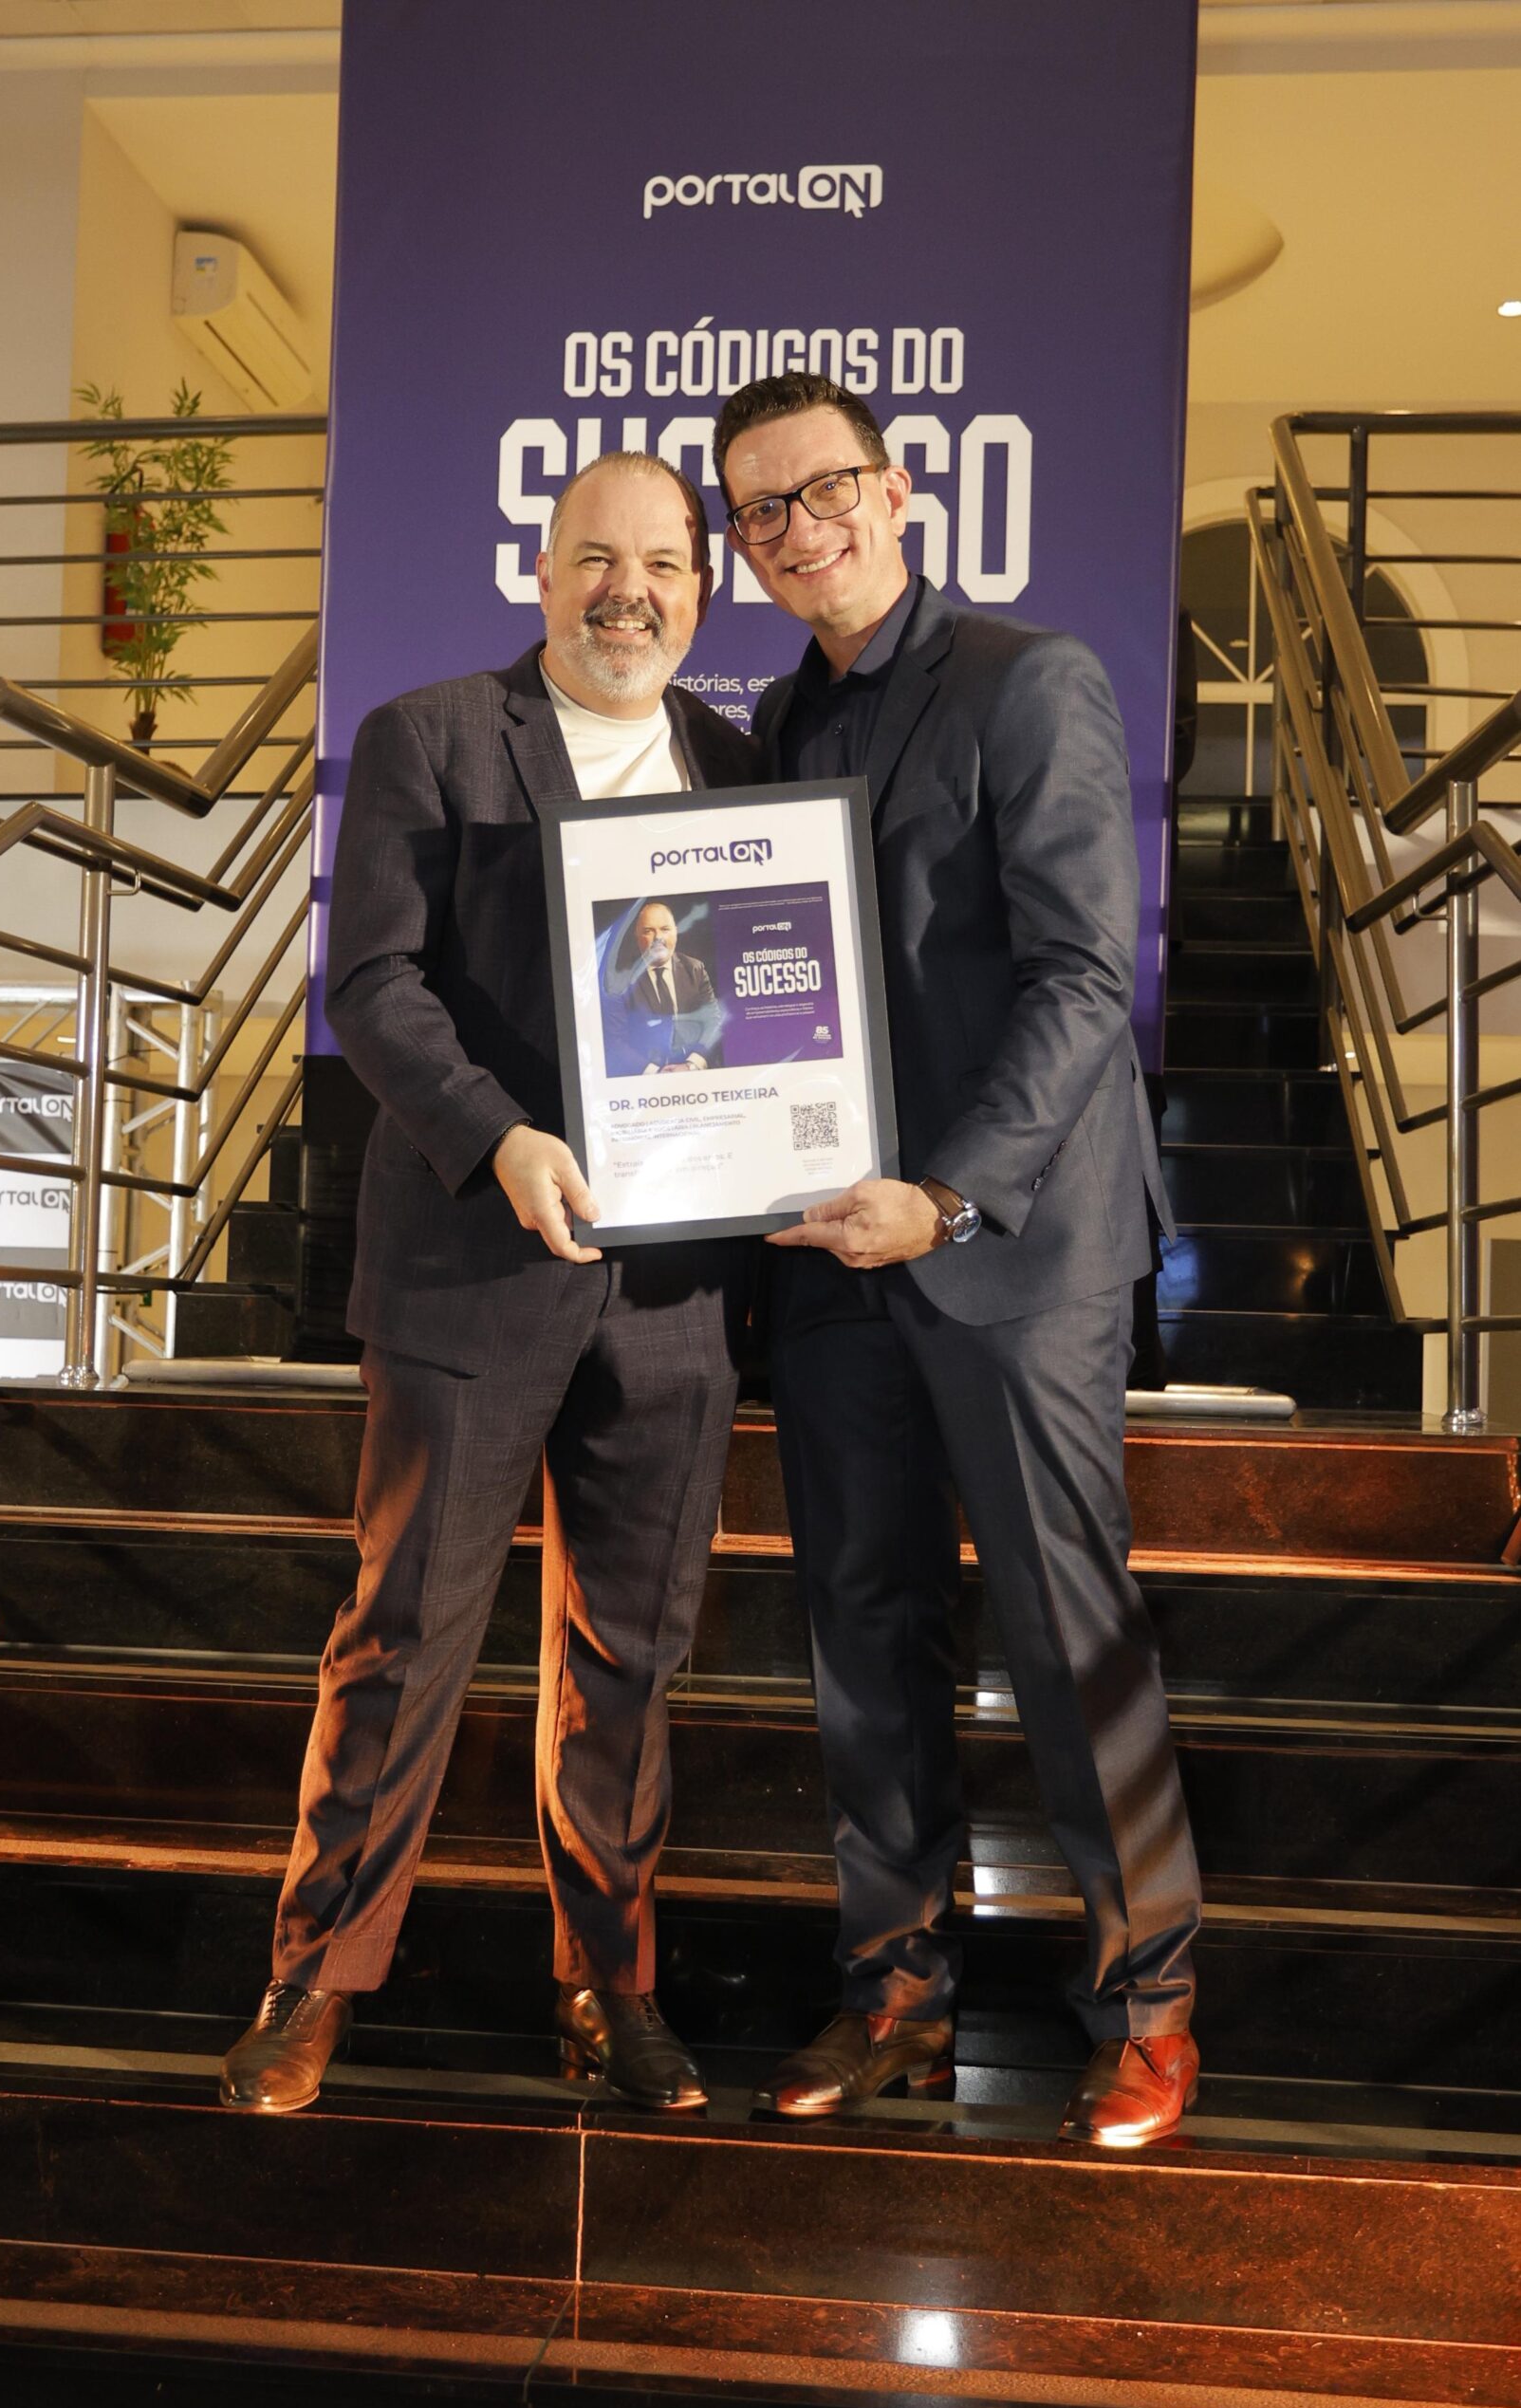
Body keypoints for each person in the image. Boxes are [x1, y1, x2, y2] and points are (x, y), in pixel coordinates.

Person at [219, 452, 755, 2118]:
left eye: (660, 564)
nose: (627, 593)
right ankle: (315, 1977)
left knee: (632, 1658)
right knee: (403, 1638)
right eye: (595, 558)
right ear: (541, 571)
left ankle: (608, 1987)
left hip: (672, 1290)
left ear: (700, 589)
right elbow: (373, 984)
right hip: (469, 1263)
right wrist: (500, 1137)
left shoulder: (742, 768)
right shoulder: (432, 735)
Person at [714, 374, 1202, 2146]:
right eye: (760, 511)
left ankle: (1145, 2006)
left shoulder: (1026, 679)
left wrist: (949, 1193)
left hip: (1012, 1244)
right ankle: (896, 1989)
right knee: (863, 1626)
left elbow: (1083, 978)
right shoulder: (771, 725)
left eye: (824, 487)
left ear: (896, 490)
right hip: (829, 1253)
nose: (800, 529)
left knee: (1072, 1632)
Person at [604, 897, 724, 1075]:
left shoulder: (695, 968)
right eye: (648, 931)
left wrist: (691, 1064)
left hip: (696, 1072)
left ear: (675, 931)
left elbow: (714, 1020)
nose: (658, 937)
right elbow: (614, 1042)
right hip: (645, 1079)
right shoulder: (619, 980)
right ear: (637, 936)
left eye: (665, 929)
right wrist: (656, 1073)